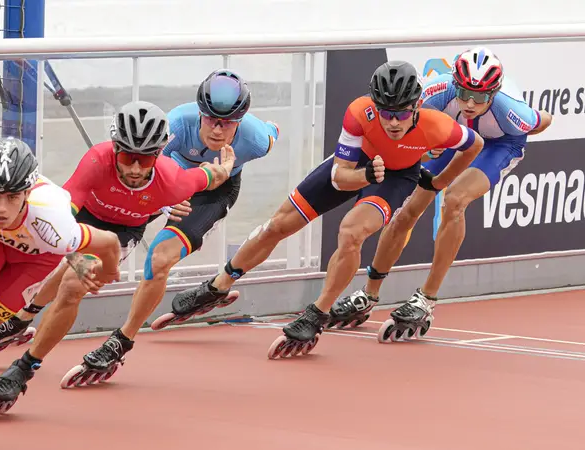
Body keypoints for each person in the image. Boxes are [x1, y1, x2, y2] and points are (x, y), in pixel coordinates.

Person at [154, 60, 484, 360]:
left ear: (417, 107)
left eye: (401, 114)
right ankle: (218, 286)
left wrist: (440, 181)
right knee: (278, 225)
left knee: (351, 233)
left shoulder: (438, 126)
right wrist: (366, 175)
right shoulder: (359, 113)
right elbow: (340, 178)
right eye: (386, 113)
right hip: (356, 166)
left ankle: (317, 313)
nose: (394, 122)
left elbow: (475, 145)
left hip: (396, 177)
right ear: (375, 106)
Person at [0, 101, 235, 388]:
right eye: (127, 156)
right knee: (57, 270)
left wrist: (225, 167)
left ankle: (24, 368)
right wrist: (70, 254)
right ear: (114, 148)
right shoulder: (97, 160)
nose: (135, 168)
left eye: (145, 160)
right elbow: (61, 218)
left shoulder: (173, 181)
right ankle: (22, 319)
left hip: (122, 231)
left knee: (72, 286)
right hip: (81, 219)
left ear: (159, 154)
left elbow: (211, 178)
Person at [57, 69, 279, 385]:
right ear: (199, 113)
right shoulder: (176, 124)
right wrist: (163, 204)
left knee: (159, 260)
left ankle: (121, 340)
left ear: (241, 121)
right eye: (210, 119)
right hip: (165, 186)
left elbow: (274, 131)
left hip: (212, 192)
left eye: (228, 122)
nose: (217, 129)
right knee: (82, 248)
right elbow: (144, 169)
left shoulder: (257, 140)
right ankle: (26, 311)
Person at [327, 47, 552, 343]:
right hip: (456, 138)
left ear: (494, 93)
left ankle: (426, 299)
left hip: (499, 144)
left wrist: (492, 142)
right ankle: (369, 294)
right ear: (454, 84)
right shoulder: (437, 92)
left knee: (455, 200)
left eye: (480, 97)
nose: (470, 103)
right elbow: (410, 122)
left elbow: (544, 120)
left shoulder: (512, 111)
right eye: (464, 94)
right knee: (407, 212)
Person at [0, 137, 123, 421]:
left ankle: (22, 344)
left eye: (12, 197)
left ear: (27, 192)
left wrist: (108, 271)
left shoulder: (52, 221)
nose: (1, 208)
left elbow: (109, 242)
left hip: (34, 258)